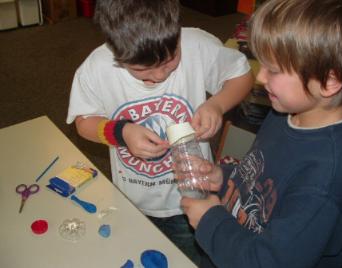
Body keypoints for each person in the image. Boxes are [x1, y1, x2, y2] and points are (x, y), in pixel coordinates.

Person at [66, 0, 253, 264]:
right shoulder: (97, 67)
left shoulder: (197, 45)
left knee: (193, 259)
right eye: (143, 72)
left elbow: (243, 75)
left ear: (177, 33)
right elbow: (83, 123)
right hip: (132, 200)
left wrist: (216, 104)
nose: (160, 76)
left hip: (193, 198)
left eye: (169, 62)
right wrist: (122, 133)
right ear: (116, 52)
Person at [178, 0, 342, 267]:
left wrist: (210, 222)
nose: (261, 77)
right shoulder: (283, 113)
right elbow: (262, 182)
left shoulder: (325, 181)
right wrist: (223, 177)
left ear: (329, 82)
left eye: (273, 69)